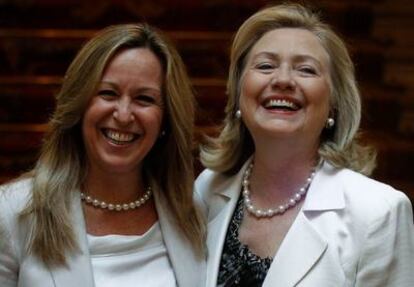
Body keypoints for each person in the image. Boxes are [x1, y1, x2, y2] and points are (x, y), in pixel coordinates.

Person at [196, 3, 414, 287]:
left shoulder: (378, 212)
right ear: (238, 94)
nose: (283, 80)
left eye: (306, 70)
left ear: (334, 105)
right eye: (265, 66)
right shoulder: (207, 191)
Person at [0, 23, 205, 287]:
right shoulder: (14, 212)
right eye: (108, 93)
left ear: (166, 120)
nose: (123, 115)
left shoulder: (193, 213)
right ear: (80, 105)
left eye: (144, 99)